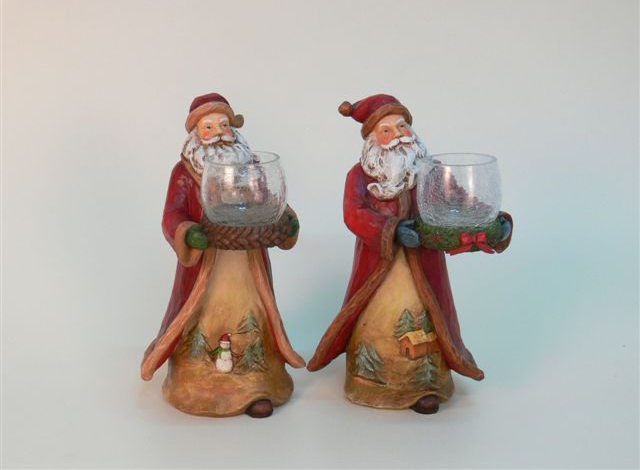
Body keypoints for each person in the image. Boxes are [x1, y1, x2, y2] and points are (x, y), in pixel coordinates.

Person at [307, 94, 512, 414]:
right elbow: (354, 214)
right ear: (372, 140)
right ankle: (372, 379)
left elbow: (458, 200)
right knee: (377, 317)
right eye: (387, 130)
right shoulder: (359, 176)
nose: (399, 135)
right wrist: (391, 229)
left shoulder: (430, 173)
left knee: (429, 313)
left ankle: (425, 382)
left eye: (402, 126)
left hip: (424, 264)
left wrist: (491, 218)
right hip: (379, 264)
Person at [141, 93, 304, 418]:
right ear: (195, 134)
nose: (218, 132)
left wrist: (285, 219)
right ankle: (196, 380)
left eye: (224, 125)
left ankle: (258, 383)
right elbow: (171, 214)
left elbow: (269, 199)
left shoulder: (251, 167)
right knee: (201, 314)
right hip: (207, 268)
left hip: (247, 264)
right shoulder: (184, 173)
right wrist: (188, 232)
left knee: (252, 313)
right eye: (209, 126)